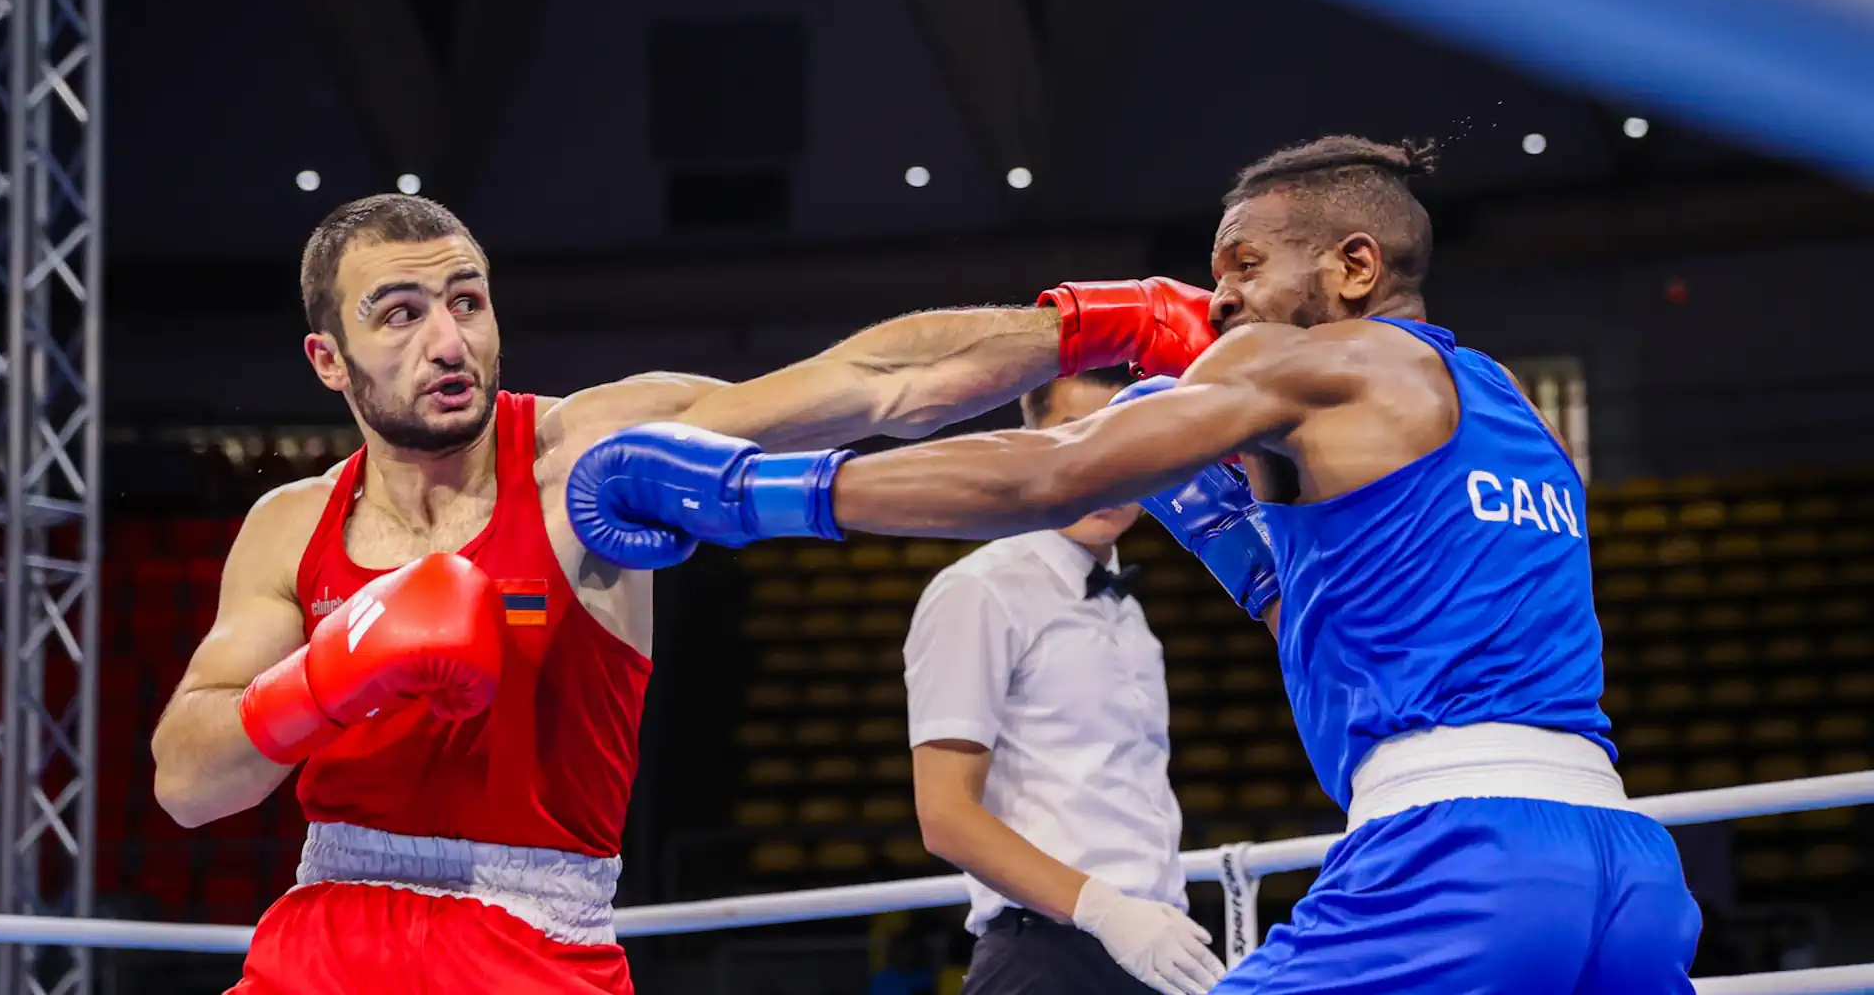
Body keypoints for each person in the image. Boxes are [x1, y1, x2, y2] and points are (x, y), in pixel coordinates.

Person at [567, 136, 1704, 994]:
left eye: (1247, 265)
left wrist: (758, 495)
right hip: (1628, 872)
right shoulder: (1511, 410)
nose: (1222, 301)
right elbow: (1379, 621)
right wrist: (1248, 555)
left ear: (1355, 265)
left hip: (1457, 859)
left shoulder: (1313, 366)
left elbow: (1047, 474)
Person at [148, 192, 1223, 993]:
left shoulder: (584, 453)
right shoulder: (291, 524)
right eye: (399, 314)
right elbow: (189, 785)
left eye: (467, 302)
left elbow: (877, 384)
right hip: (319, 937)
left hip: (528, 946)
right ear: (328, 359)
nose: (448, 341)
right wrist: (337, 673)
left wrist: (1106, 323)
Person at [905, 367, 1223, 995]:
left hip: (1153, 948)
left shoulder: (1129, 617)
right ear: (1033, 448)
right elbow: (944, 814)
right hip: (1046, 954)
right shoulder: (980, 590)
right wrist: (1104, 909)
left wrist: (1135, 920)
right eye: (1078, 437)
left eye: (1124, 441)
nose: (1102, 467)